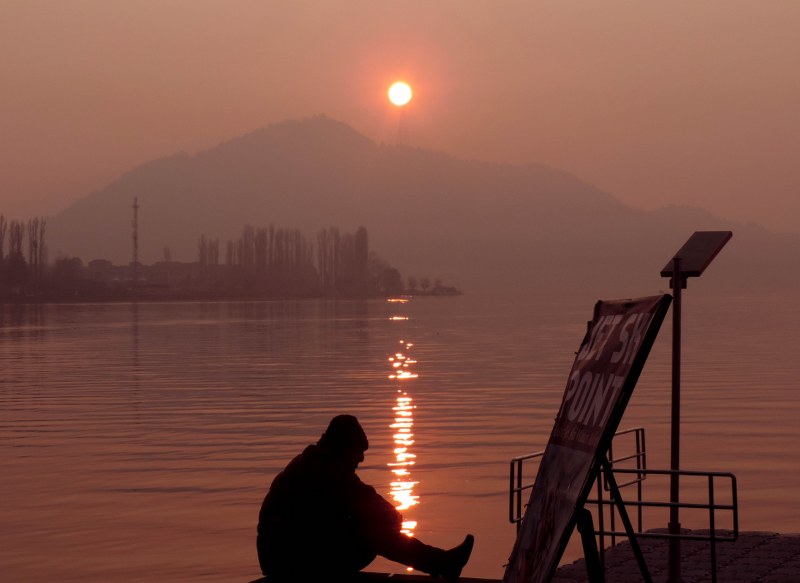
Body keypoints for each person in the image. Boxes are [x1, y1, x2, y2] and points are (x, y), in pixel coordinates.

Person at [257, 414, 474, 581]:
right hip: (290, 563)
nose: (361, 458)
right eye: (358, 451)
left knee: (370, 527)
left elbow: (367, 501)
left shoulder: (315, 463)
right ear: (343, 448)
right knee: (374, 534)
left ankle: (441, 562)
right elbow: (377, 508)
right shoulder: (326, 471)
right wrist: (390, 520)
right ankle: (442, 563)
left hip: (289, 556)